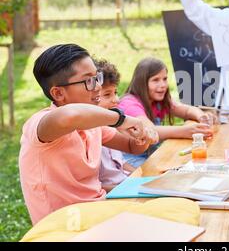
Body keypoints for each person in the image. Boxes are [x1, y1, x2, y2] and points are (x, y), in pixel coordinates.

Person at [19, 44, 159, 224]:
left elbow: (131, 146)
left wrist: (142, 136)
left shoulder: (92, 124)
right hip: (64, 227)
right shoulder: (40, 124)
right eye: (88, 81)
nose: (98, 87)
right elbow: (70, 116)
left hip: (98, 212)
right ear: (58, 93)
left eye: (97, 77)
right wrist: (120, 119)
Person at [118, 57, 213, 168]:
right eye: (156, 80)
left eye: (165, 79)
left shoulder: (158, 101)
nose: (162, 84)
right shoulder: (130, 104)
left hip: (151, 154)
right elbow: (149, 130)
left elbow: (187, 110)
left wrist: (201, 116)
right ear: (142, 82)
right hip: (131, 160)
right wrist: (185, 131)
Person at [94, 58, 136, 192]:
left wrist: (141, 177)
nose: (116, 100)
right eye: (107, 94)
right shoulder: (89, 135)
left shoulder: (109, 126)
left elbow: (120, 164)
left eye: (115, 92)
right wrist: (128, 188)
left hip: (125, 185)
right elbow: (93, 188)